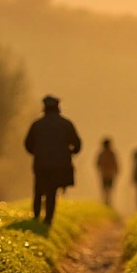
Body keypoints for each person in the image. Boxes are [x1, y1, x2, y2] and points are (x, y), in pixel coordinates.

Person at [24, 95, 82, 224]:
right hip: (60, 165)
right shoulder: (66, 124)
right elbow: (77, 145)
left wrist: (37, 153)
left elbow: (28, 144)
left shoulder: (37, 125)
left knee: (38, 189)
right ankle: (48, 219)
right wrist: (69, 152)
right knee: (52, 191)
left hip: (40, 165)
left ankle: (36, 216)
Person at [96, 137, 119, 207]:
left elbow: (98, 164)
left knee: (106, 189)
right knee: (108, 190)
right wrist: (116, 171)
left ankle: (106, 202)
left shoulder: (102, 154)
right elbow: (115, 164)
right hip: (109, 174)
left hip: (105, 174)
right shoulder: (111, 153)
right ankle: (107, 203)